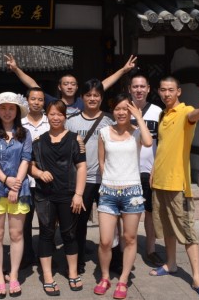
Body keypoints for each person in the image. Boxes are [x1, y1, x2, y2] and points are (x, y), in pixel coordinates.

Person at [149, 76, 199, 300]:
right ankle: (171, 264)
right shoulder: (162, 114)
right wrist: (154, 171)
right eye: (163, 90)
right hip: (159, 181)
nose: (166, 94)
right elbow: (163, 147)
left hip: (178, 183)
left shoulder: (185, 111)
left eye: (171, 90)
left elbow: (193, 116)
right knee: (167, 227)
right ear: (159, 91)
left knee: (187, 231)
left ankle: (197, 278)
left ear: (178, 92)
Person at [94, 93, 153, 299]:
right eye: (117, 109)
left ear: (131, 111)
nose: (121, 113)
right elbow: (102, 161)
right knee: (105, 240)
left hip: (132, 192)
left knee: (129, 238)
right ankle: (104, 276)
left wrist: (139, 117)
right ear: (112, 111)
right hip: (108, 191)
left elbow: (148, 142)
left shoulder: (137, 132)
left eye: (125, 109)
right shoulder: (104, 132)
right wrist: (108, 180)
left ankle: (123, 279)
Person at [29, 100, 87, 296]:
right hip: (45, 195)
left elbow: (81, 167)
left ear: (65, 116)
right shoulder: (38, 141)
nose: (56, 118)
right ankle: (47, 276)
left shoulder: (74, 139)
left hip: (68, 194)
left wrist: (79, 194)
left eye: (60, 114)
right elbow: (29, 165)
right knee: (46, 234)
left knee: (69, 234)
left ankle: (73, 273)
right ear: (47, 116)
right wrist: (39, 173)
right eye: (52, 114)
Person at [0, 92, 33, 298]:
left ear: (17, 111)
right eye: (3, 108)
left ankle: (13, 275)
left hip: (19, 189)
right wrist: (6, 180)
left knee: (16, 234)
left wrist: (15, 186)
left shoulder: (25, 133)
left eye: (11, 108)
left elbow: (26, 159)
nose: (7, 112)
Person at [65, 78, 115, 275]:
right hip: (82, 181)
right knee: (79, 223)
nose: (92, 98)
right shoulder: (71, 121)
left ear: (101, 98)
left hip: (105, 180)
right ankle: (78, 262)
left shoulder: (110, 120)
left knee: (111, 223)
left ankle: (114, 261)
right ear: (82, 97)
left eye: (96, 95)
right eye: (88, 95)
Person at [5, 54, 137, 116]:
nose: (69, 86)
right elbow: (32, 84)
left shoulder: (83, 102)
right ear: (59, 87)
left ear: (77, 87)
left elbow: (103, 85)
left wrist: (123, 70)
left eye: (73, 84)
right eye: (66, 84)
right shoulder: (52, 103)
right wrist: (16, 69)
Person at [127, 70, 165, 267]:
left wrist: (156, 168)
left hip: (150, 170)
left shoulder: (158, 112)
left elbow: (164, 144)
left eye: (142, 86)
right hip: (127, 171)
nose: (139, 90)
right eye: (135, 86)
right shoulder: (123, 110)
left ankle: (151, 250)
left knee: (150, 211)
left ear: (149, 89)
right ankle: (125, 250)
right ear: (129, 89)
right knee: (127, 213)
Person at [20, 87, 50, 269]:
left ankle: (45, 255)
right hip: (24, 180)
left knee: (46, 221)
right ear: (27, 100)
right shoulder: (19, 123)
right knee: (24, 222)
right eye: (33, 99)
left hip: (45, 179)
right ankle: (26, 256)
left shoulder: (50, 121)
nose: (36, 103)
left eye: (40, 99)